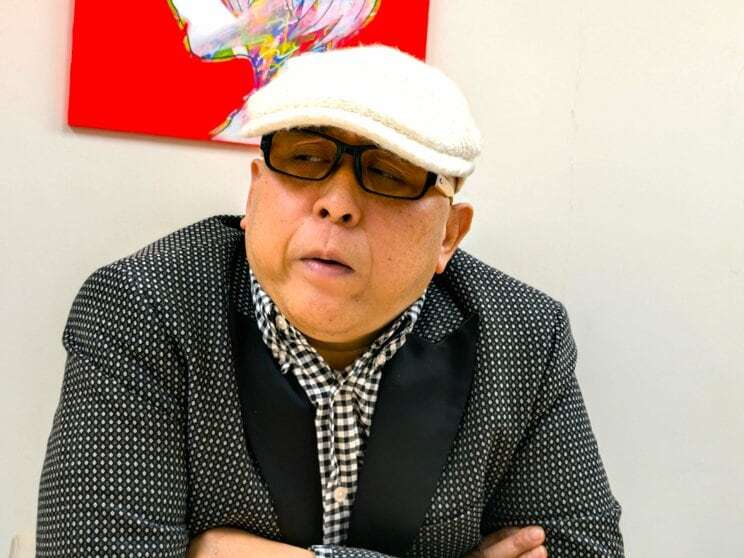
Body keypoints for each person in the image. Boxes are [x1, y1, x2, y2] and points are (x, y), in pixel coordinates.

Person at [36, 45, 624, 558]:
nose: (337, 204)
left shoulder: (522, 334)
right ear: (254, 193)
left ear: (449, 234)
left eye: (389, 174)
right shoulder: (145, 305)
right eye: (305, 159)